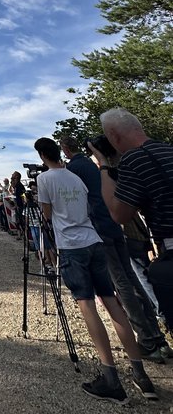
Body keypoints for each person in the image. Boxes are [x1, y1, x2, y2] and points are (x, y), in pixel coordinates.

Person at [34, 136, 157, 403]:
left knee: (87, 305)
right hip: (93, 240)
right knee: (113, 303)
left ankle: (110, 377)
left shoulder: (44, 179)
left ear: (43, 156)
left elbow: (45, 214)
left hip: (71, 245)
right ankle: (140, 374)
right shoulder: (76, 177)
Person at [60, 135, 170, 361]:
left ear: (65, 149)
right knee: (133, 280)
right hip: (118, 226)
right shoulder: (98, 166)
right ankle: (157, 337)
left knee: (121, 284)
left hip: (100, 227)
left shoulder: (76, 168)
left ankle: (147, 341)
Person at [89, 107, 173, 334]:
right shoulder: (167, 149)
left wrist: (104, 165)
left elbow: (119, 214)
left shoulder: (134, 159)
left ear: (114, 136)